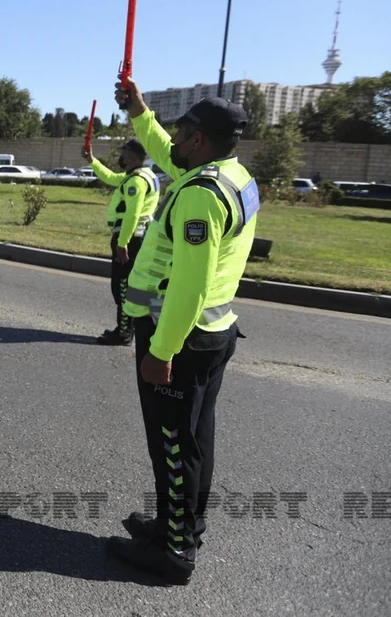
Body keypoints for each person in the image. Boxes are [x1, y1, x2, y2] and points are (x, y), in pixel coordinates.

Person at [107, 77, 259, 584]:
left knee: (172, 444)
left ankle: (173, 553)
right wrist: (139, 111)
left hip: (182, 339)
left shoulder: (199, 197)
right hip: (215, 334)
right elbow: (161, 149)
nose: (172, 139)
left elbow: (188, 286)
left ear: (197, 140)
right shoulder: (231, 175)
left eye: (181, 131)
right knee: (195, 441)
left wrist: (161, 349)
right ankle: (182, 528)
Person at [82, 139, 159, 345]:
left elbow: (132, 215)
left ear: (133, 156)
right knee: (129, 284)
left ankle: (124, 333)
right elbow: (111, 177)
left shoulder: (136, 182)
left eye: (124, 153)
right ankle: (126, 329)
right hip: (138, 236)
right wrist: (92, 160)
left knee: (123, 286)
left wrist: (122, 243)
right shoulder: (145, 175)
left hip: (130, 238)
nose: (121, 157)